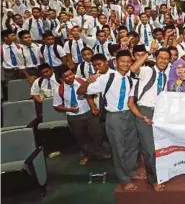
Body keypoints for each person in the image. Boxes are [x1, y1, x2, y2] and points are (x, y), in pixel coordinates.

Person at [77, 50, 139, 191]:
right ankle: (124, 179)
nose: (126, 64)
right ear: (116, 62)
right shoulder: (107, 78)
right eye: (122, 61)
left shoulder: (131, 78)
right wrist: (87, 81)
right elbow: (80, 92)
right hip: (115, 117)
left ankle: (131, 171)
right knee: (119, 149)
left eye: (129, 61)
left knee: (133, 146)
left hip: (129, 115)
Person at [127, 48, 171, 192]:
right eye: (161, 57)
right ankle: (153, 180)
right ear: (155, 58)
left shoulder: (165, 76)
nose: (163, 60)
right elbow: (133, 68)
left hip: (158, 113)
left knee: (158, 148)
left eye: (166, 58)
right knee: (150, 150)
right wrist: (148, 53)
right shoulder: (147, 70)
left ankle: (153, 171)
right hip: (144, 111)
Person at [53, 67, 106, 165]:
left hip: (88, 112)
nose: (70, 77)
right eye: (66, 76)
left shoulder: (82, 81)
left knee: (97, 133)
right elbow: (57, 106)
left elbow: (89, 95)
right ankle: (86, 154)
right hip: (74, 117)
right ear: (61, 79)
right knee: (81, 137)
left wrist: (93, 107)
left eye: (71, 74)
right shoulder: (59, 90)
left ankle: (99, 152)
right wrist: (69, 109)